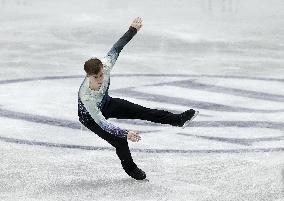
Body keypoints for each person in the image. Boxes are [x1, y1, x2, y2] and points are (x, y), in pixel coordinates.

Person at [78, 17, 199, 180]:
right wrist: (125, 133)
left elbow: (117, 47)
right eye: (96, 77)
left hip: (107, 103)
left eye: (101, 74)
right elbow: (102, 123)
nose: (100, 79)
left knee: (143, 111)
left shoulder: (105, 65)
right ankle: (131, 170)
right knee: (120, 141)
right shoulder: (86, 96)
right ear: (88, 76)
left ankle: (177, 120)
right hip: (91, 119)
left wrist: (132, 30)